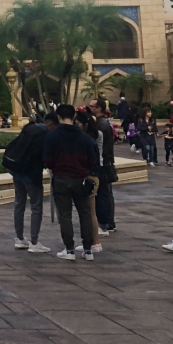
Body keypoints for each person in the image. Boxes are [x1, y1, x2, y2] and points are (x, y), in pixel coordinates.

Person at [43, 104, 100, 261]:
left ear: (59, 117)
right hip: (81, 179)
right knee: (85, 214)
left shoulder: (52, 136)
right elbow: (93, 159)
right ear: (74, 117)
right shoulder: (84, 137)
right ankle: (88, 250)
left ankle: (69, 249)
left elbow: (47, 160)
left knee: (65, 215)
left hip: (61, 178)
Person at [7, 122, 51, 253]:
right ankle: (34, 241)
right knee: (36, 206)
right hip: (31, 174)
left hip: (17, 170)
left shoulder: (29, 128)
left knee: (19, 203)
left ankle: (19, 238)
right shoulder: (44, 135)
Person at [75, 111, 105, 255]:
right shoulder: (96, 135)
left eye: (78, 123)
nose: (76, 126)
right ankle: (94, 242)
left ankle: (95, 242)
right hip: (94, 176)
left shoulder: (87, 139)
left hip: (89, 177)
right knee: (90, 211)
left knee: (90, 212)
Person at [89, 98, 117, 233]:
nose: (90, 108)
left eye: (92, 106)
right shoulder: (104, 123)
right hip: (107, 161)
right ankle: (110, 222)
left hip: (103, 163)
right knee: (107, 194)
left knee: (102, 194)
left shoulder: (100, 125)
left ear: (98, 108)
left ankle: (105, 223)